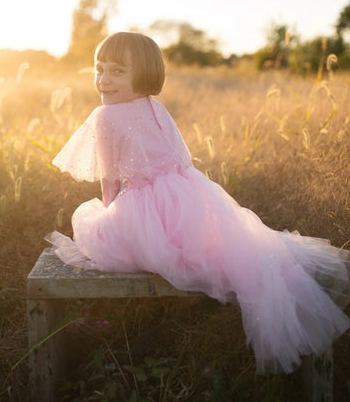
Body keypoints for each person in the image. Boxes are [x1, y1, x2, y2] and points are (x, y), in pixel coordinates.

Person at [46, 31, 350, 374]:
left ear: (144, 73)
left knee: (92, 224)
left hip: (145, 209)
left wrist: (108, 214)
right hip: (189, 196)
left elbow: (109, 180)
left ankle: (100, 315)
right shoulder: (156, 107)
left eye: (117, 71)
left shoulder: (104, 117)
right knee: (231, 246)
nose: (104, 80)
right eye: (99, 69)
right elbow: (181, 160)